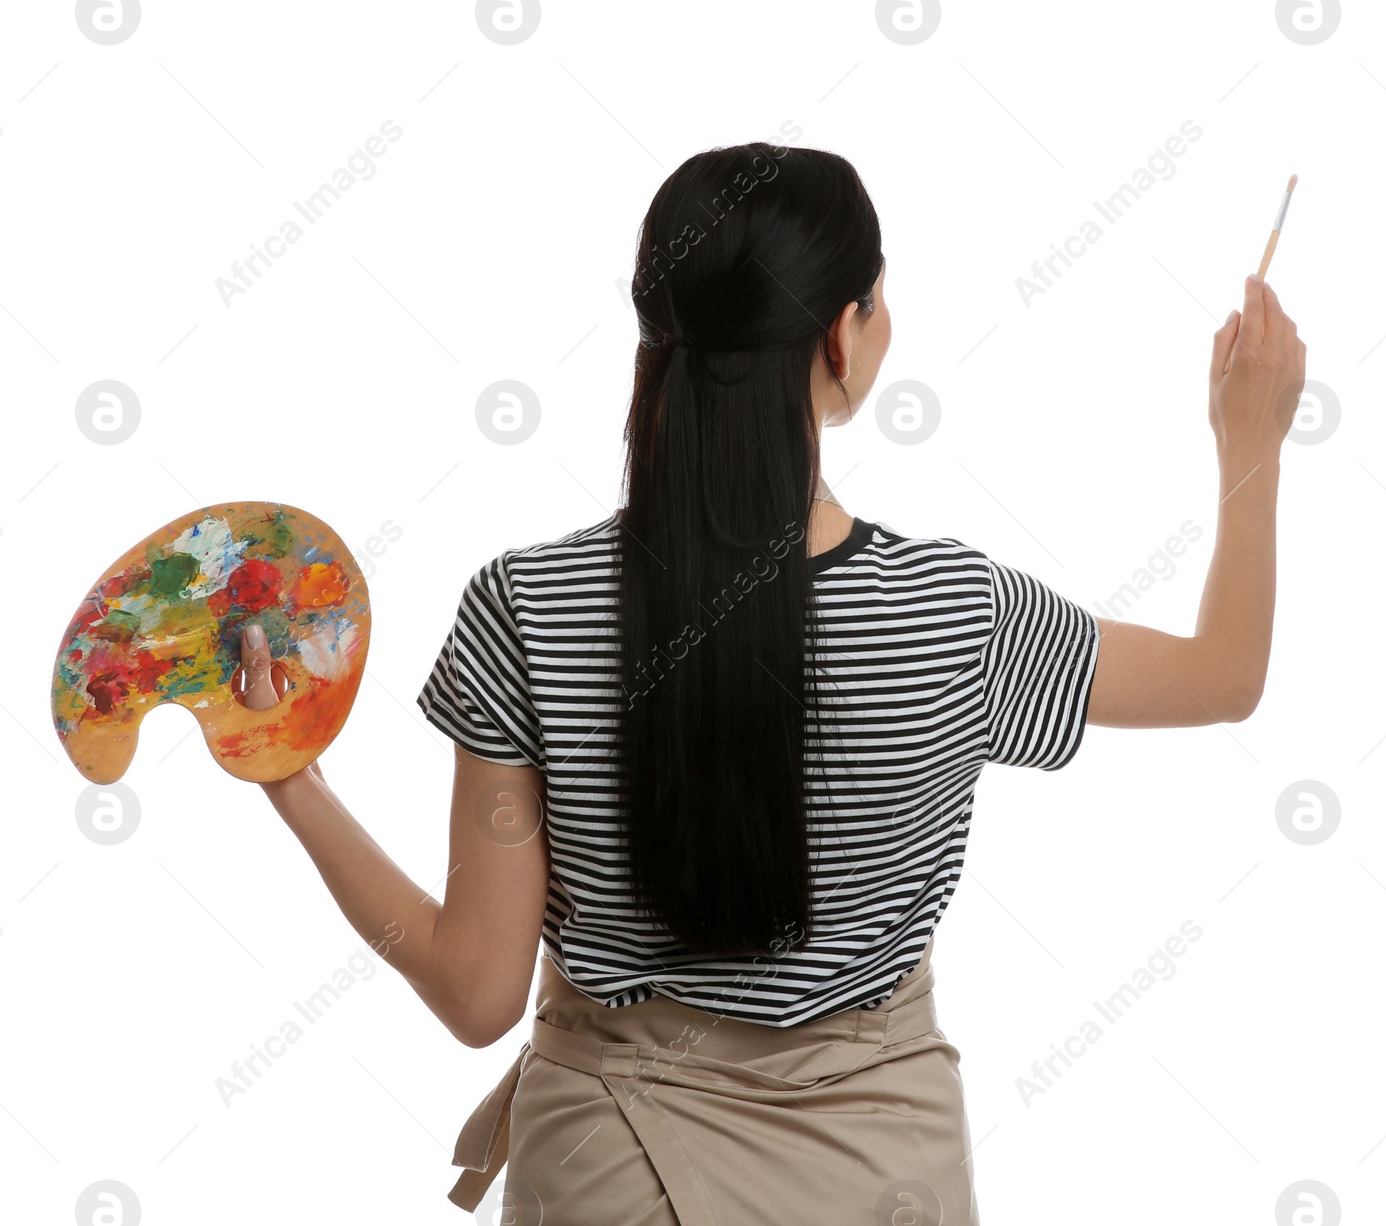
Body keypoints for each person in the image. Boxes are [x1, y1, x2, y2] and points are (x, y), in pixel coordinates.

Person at [237, 142, 1306, 1224]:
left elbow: (476, 992)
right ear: (842, 337)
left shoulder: (527, 606)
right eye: (879, 298)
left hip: (605, 1174)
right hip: (877, 1176)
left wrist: (293, 779)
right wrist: (1247, 439)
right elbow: (1222, 674)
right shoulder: (950, 611)